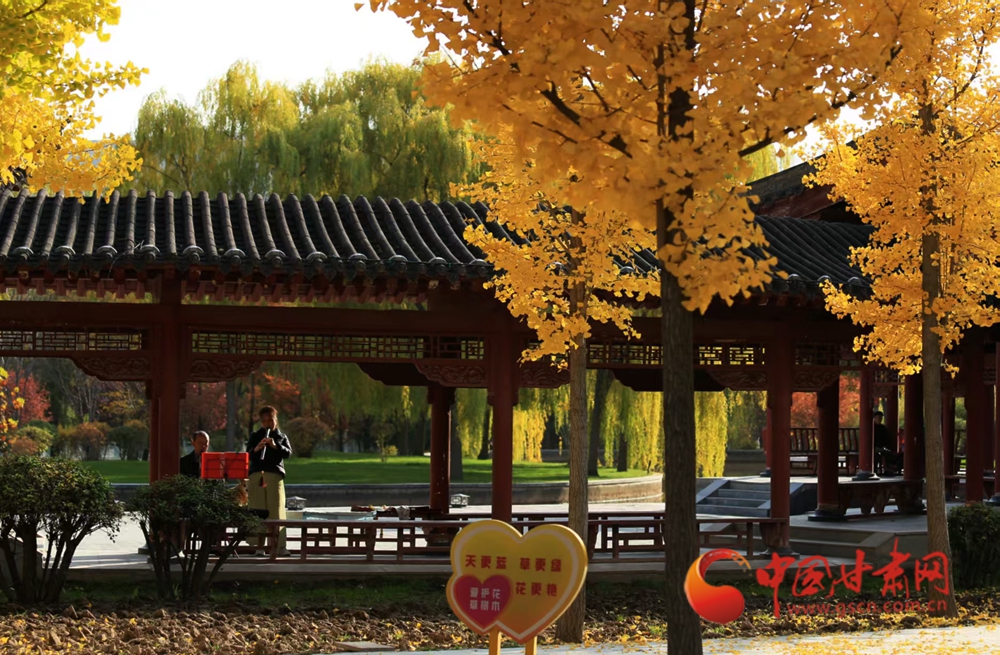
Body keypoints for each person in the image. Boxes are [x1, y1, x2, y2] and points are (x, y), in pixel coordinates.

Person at [247, 406, 292, 556]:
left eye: (270, 420)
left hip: (274, 476)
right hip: (256, 476)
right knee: (257, 510)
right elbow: (247, 454)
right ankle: (258, 547)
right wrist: (256, 449)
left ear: (275, 420)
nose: (267, 424)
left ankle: (279, 547)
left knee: (276, 510)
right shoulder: (255, 436)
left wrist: (275, 446)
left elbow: (288, 453)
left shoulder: (281, 436)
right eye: (264, 421)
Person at [873, 411, 902, 475]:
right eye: (878, 417)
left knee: (887, 452)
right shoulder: (872, 428)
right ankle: (891, 467)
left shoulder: (883, 428)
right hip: (874, 447)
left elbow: (886, 439)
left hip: (882, 447)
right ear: (874, 418)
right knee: (884, 453)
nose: (880, 419)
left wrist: (885, 446)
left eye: (881, 418)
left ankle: (890, 467)